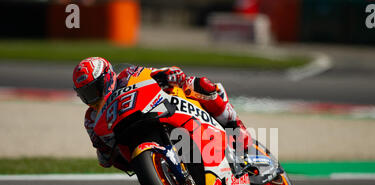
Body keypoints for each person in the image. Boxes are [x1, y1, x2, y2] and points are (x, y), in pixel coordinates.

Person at [73, 56, 252, 171]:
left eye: (93, 90)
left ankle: (234, 125)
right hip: (139, 140)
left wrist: (168, 75)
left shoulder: (128, 75)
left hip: (169, 107)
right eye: (85, 94)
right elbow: (105, 159)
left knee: (197, 84)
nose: (92, 98)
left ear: (107, 78)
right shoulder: (91, 119)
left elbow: (159, 72)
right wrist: (103, 148)